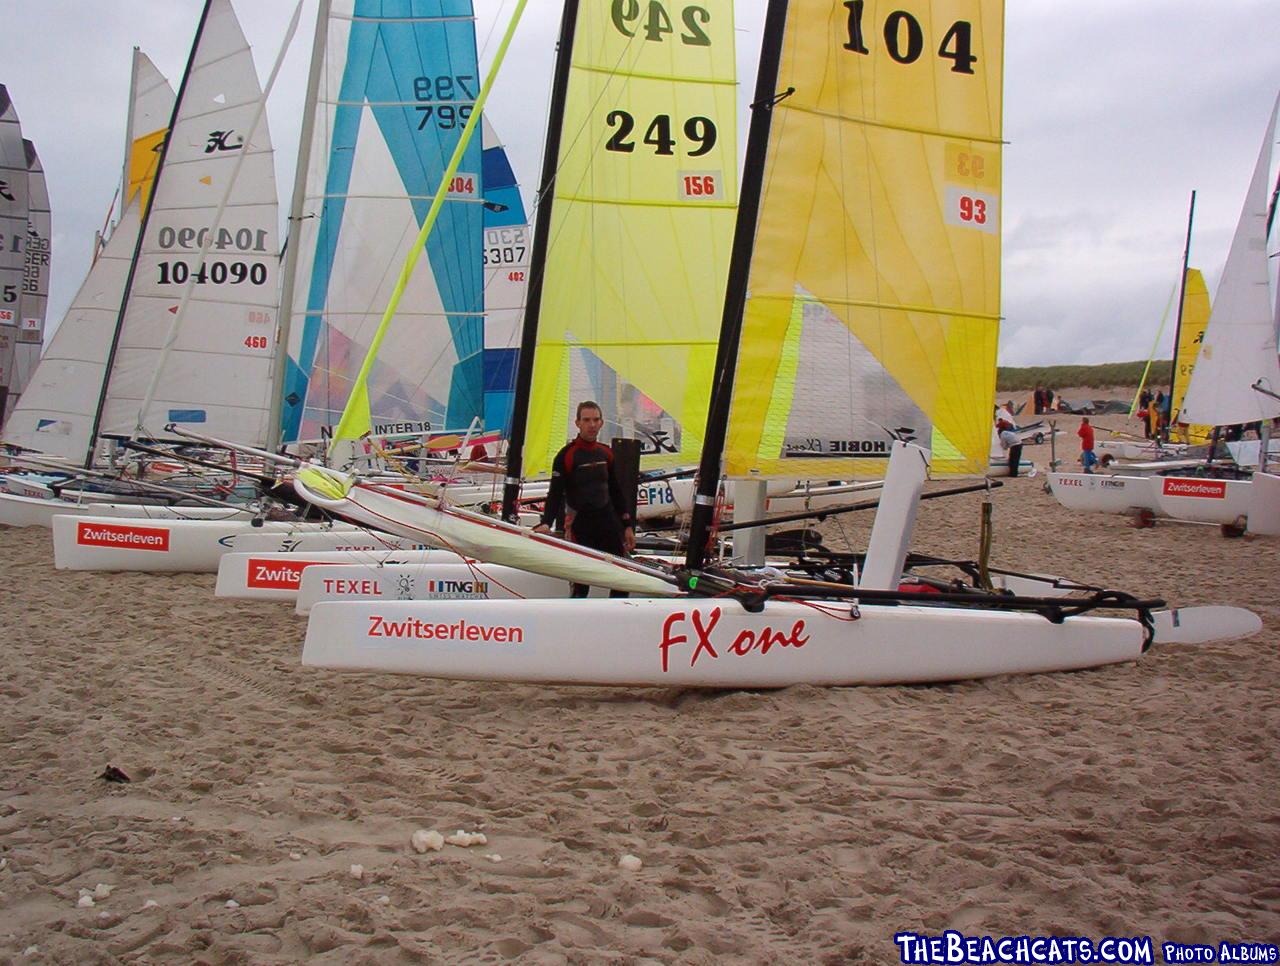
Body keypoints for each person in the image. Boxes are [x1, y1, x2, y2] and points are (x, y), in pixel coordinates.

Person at [533, 401, 635, 598]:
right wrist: (546, 522)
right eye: (587, 420)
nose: (592, 424)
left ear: (602, 423)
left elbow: (615, 491)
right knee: (581, 585)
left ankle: (616, 618)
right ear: (577, 423)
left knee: (622, 578)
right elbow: (555, 493)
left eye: (596, 420)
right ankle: (577, 623)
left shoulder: (606, 453)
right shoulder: (566, 455)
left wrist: (627, 525)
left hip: (608, 523)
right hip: (581, 526)